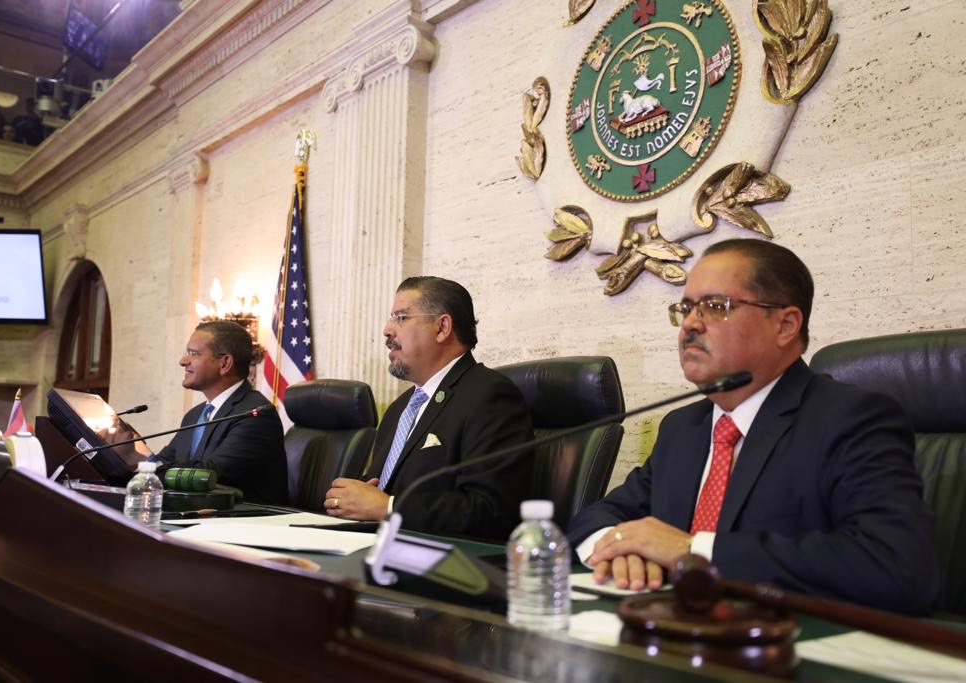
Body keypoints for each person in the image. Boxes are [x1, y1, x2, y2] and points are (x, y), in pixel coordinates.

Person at [568, 238, 938, 615]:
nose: (691, 323)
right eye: (686, 308)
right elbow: (597, 517)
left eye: (716, 306)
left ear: (785, 325)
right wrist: (619, 548)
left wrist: (691, 551)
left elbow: (897, 566)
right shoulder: (683, 427)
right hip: (671, 632)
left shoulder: (851, 419)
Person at [324, 276, 533, 541]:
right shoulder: (400, 408)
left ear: (442, 327)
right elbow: (380, 487)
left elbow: (491, 511)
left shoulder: (490, 396)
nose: (387, 330)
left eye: (401, 318)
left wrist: (388, 508)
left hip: (445, 559)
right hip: (373, 547)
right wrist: (349, 498)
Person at [150, 320, 287, 505]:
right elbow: (165, 461)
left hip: (242, 518)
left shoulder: (255, 415)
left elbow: (207, 474)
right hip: (194, 512)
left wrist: (145, 465)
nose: (183, 361)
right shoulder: (194, 415)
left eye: (194, 354)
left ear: (225, 363)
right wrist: (131, 457)